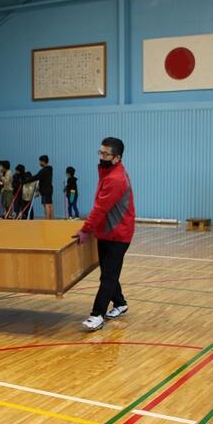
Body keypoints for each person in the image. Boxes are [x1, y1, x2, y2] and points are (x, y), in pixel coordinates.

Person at [73, 137, 135, 331]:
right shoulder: (108, 172)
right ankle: (120, 303)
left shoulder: (116, 179)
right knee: (108, 272)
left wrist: (85, 229)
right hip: (106, 232)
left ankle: (97, 315)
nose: (102, 157)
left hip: (119, 235)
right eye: (100, 152)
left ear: (117, 158)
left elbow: (100, 207)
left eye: (106, 154)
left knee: (108, 276)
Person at [25, 155, 54, 219]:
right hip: (49, 189)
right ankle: (51, 219)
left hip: (45, 190)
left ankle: (47, 219)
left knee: (46, 205)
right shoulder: (50, 169)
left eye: (40, 161)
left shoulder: (44, 170)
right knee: (50, 204)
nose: (39, 163)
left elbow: (36, 177)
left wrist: (26, 181)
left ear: (43, 162)